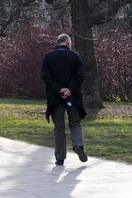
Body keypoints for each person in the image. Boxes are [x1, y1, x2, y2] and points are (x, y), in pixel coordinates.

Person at [41, 33, 87, 166]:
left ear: (57, 42)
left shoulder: (48, 57)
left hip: (55, 98)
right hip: (73, 97)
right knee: (75, 123)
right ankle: (78, 145)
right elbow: (79, 76)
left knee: (59, 127)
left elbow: (46, 76)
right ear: (68, 42)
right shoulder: (75, 56)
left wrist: (59, 89)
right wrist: (69, 89)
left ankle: (60, 158)